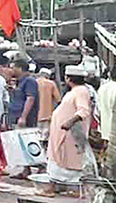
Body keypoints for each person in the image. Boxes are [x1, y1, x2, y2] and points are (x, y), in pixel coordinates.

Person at [42, 65, 94, 194]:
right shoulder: (75, 91)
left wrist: (69, 122)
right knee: (58, 158)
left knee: (68, 159)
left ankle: (57, 187)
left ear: (68, 78)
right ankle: (59, 186)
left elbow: (83, 111)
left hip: (70, 134)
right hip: (61, 134)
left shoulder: (81, 91)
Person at [8, 60, 39, 129]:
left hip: (23, 118)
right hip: (14, 116)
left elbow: (30, 99)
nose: (11, 70)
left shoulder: (29, 81)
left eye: (13, 68)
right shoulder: (18, 81)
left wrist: (23, 117)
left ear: (20, 69)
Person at [35, 67, 61, 137]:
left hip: (34, 116)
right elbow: (58, 100)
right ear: (48, 76)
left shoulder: (34, 82)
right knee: (45, 137)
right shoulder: (51, 84)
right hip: (47, 116)